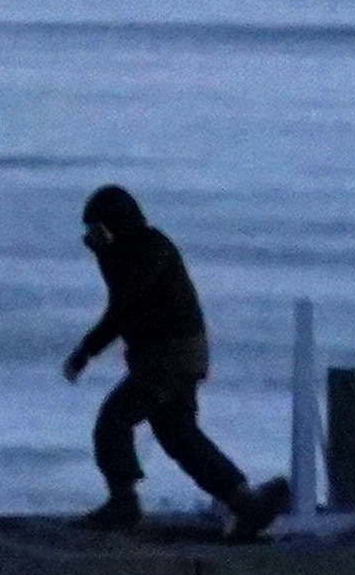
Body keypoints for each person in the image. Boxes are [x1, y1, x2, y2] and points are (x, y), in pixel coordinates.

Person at [59, 184, 282, 537]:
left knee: (114, 421)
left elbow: (124, 306)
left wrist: (85, 351)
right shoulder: (137, 250)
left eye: (97, 230)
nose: (92, 239)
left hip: (169, 357)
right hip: (177, 355)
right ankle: (244, 502)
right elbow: (125, 303)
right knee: (179, 435)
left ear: (114, 224)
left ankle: (123, 503)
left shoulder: (148, 251)